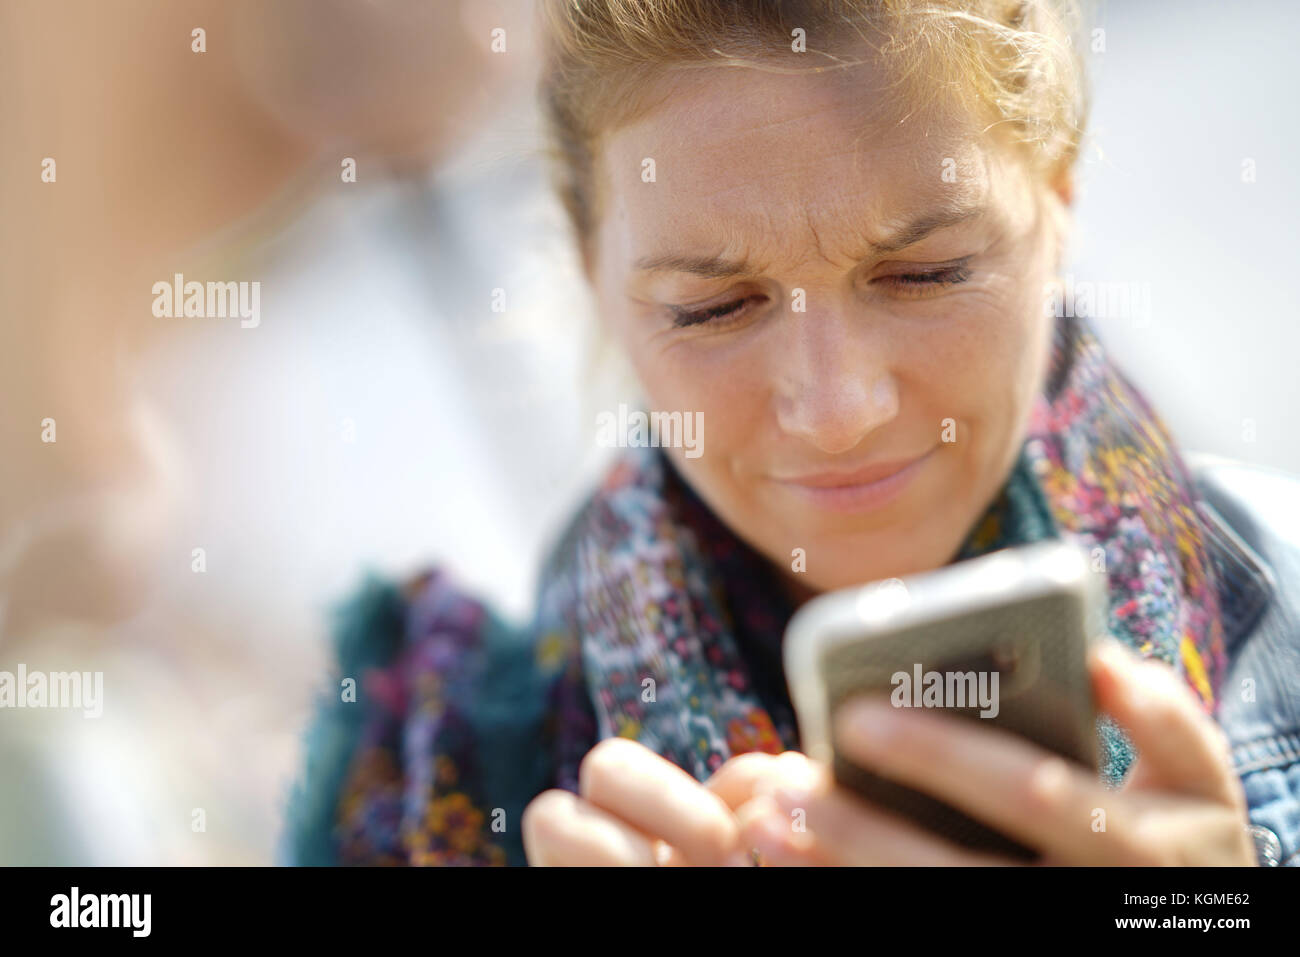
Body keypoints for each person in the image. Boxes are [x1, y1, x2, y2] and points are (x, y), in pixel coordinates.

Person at [283, 0, 1299, 866]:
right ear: (593, 270)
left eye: (925, 274)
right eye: (716, 306)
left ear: (1058, 198)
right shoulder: (442, 780)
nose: (836, 406)